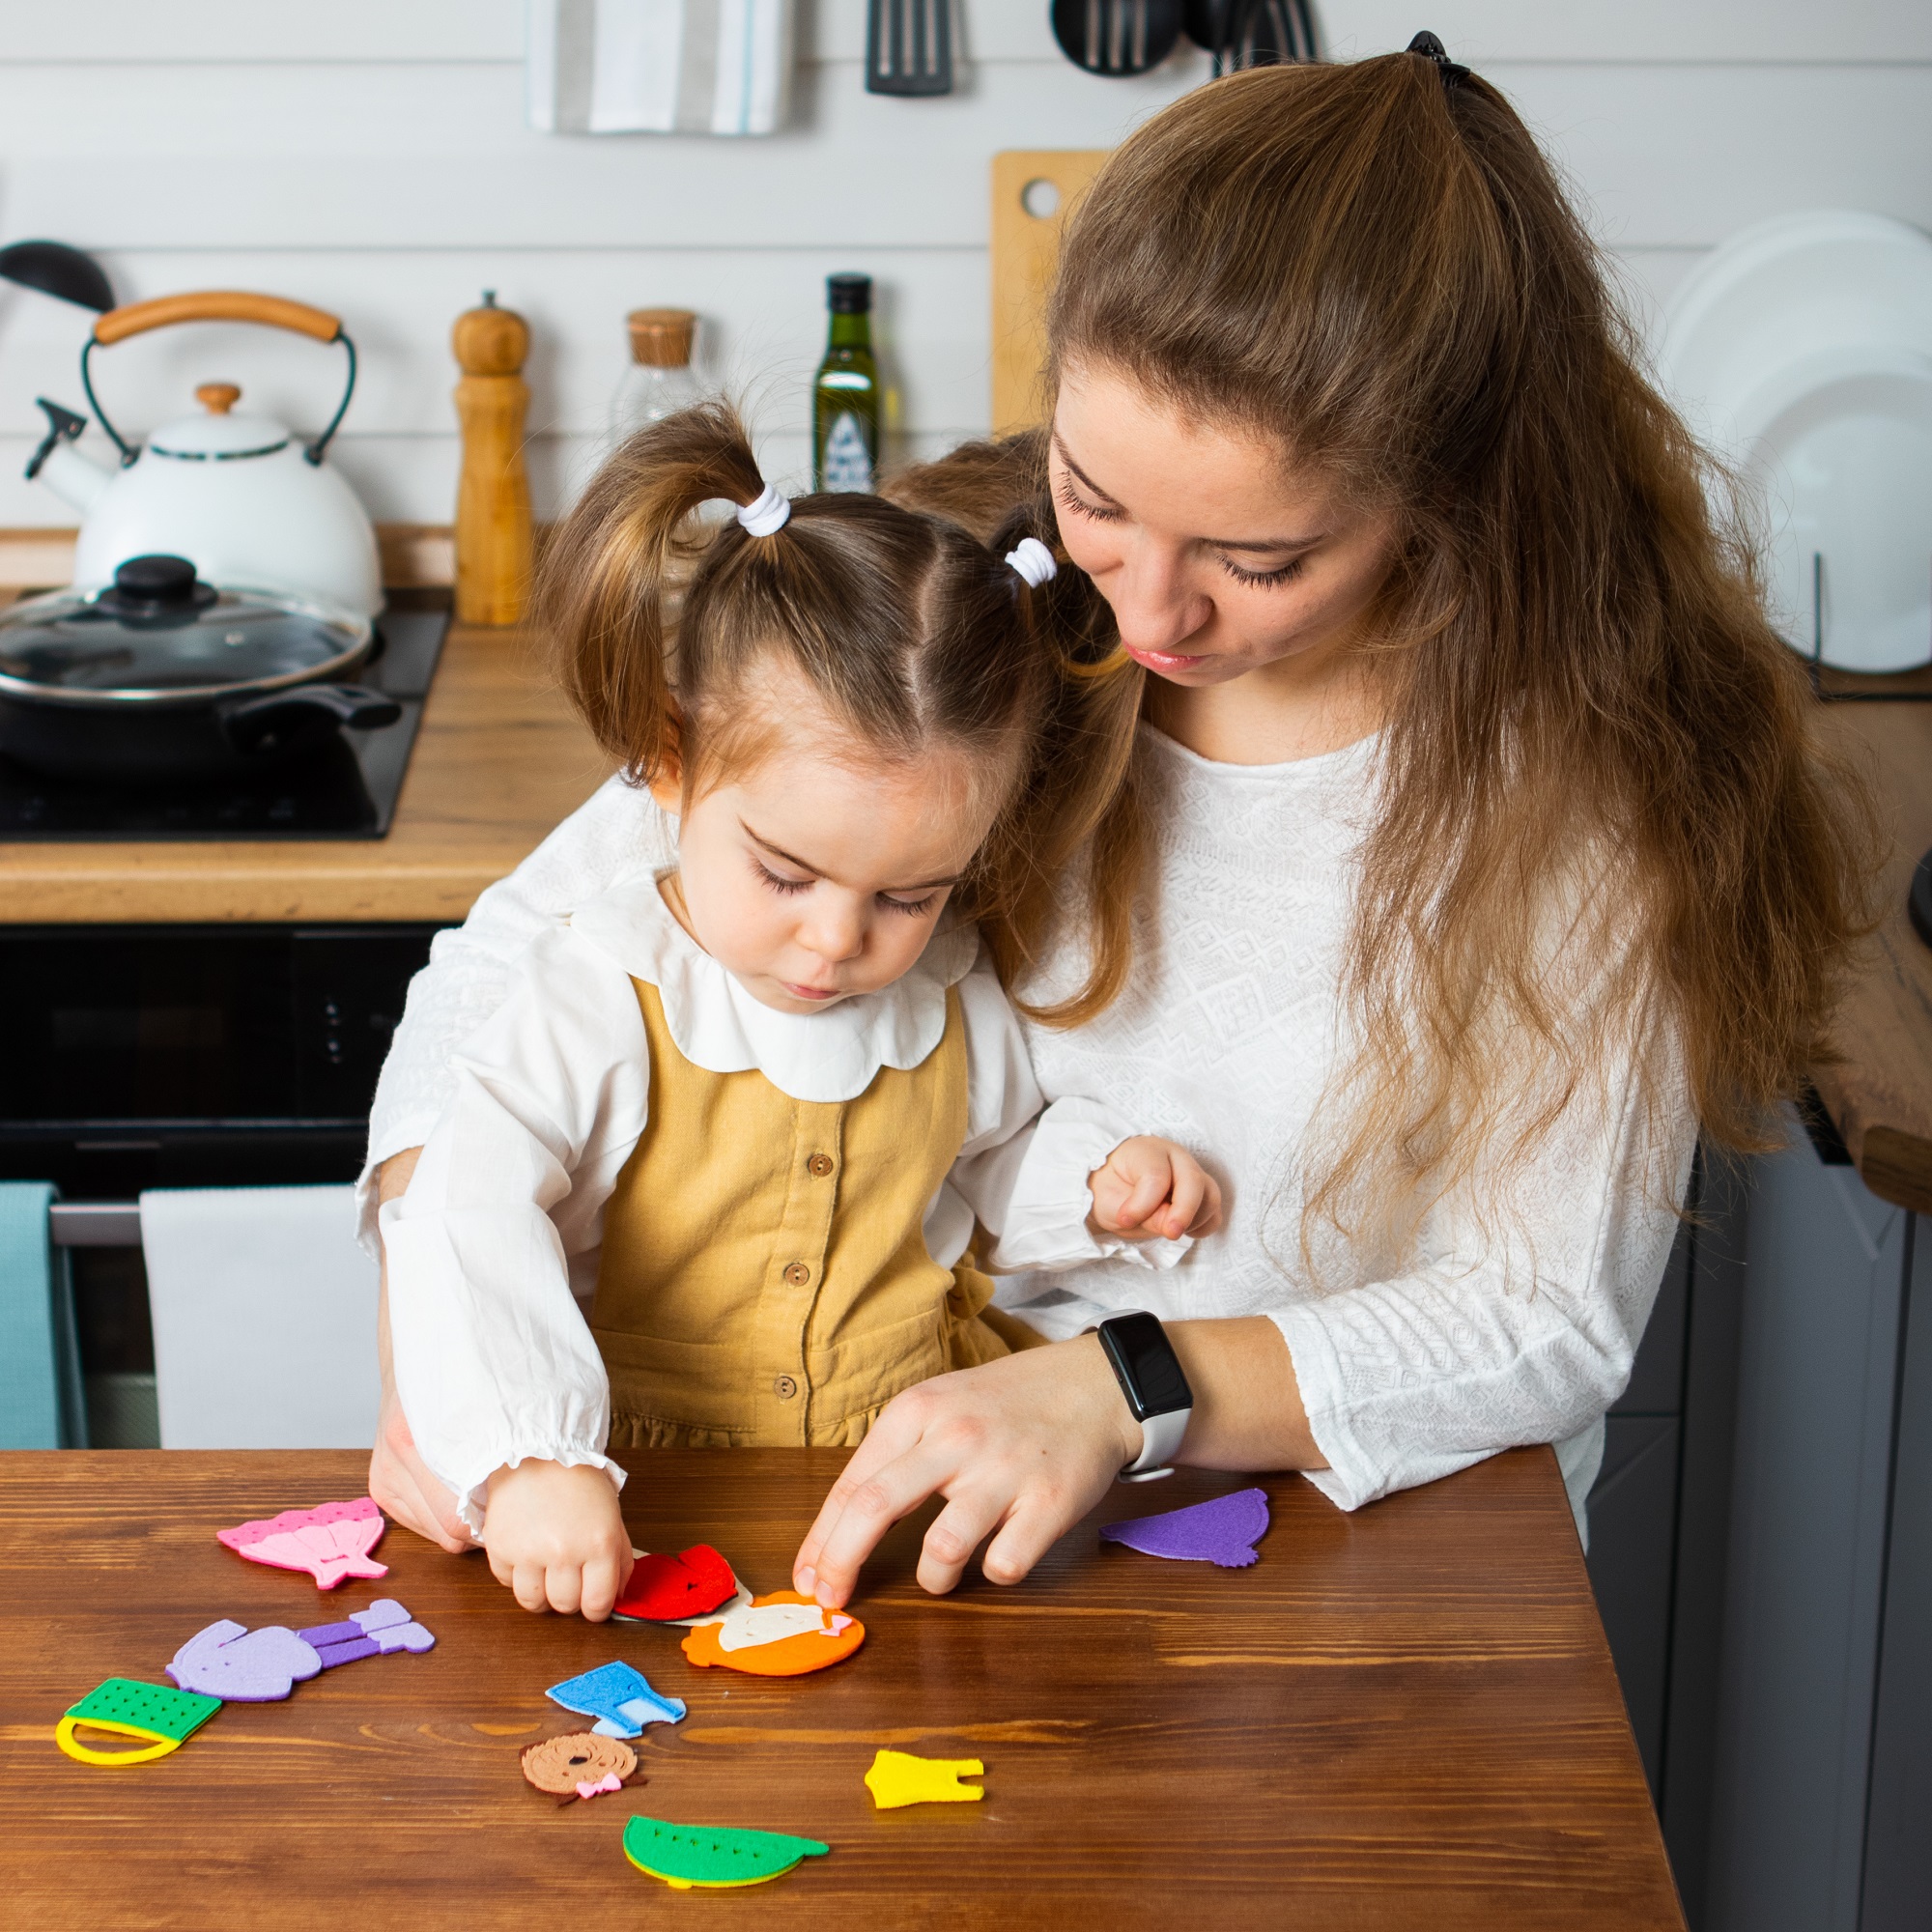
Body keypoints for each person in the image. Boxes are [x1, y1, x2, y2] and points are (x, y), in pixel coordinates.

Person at [364, 49, 1875, 1611]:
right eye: (1097, 493)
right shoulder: (973, 588)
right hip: (896, 1525)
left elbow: (1540, 1319)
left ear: (1450, 495)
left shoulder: (1578, 798)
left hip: (1338, 1581)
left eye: (1257, 557)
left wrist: (1122, 1385)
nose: (1145, 610)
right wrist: (451, 1321)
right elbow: (530, 954)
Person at [376, 402, 1220, 1617]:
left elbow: (987, 1162)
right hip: (648, 1514)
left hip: (906, 1513)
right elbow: (466, 1201)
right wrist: (530, 1457)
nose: (836, 940)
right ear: (665, 766)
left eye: (907, 893)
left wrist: (1094, 1186)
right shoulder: (598, 989)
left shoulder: (946, 995)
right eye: (784, 874)